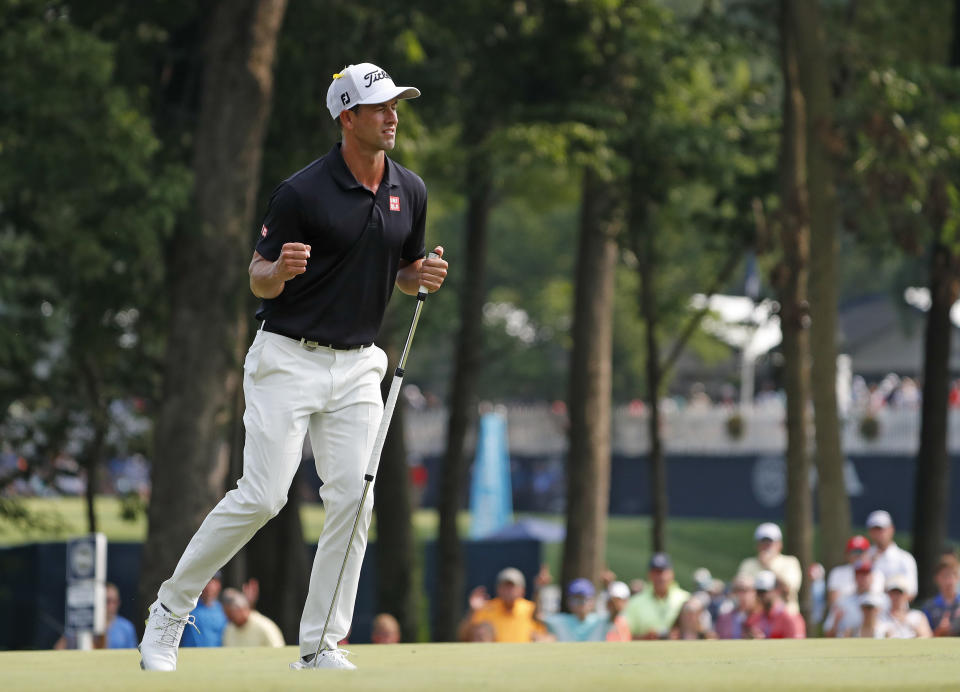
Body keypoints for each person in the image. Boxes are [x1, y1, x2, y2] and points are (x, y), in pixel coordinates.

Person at [137, 62, 448, 673]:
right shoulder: (301, 192)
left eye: (396, 106)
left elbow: (405, 271)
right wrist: (277, 272)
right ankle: (170, 610)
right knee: (264, 496)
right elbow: (257, 274)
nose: (392, 116)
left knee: (354, 500)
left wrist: (423, 277)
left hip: (359, 366)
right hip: (287, 358)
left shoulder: (409, 190)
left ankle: (320, 644)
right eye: (380, 106)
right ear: (346, 116)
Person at [459, 567, 548, 643]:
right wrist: (472, 611)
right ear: (498, 589)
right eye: (505, 586)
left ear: (522, 590)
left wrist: (539, 589)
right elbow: (464, 635)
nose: (508, 591)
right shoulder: (487, 608)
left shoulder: (530, 609)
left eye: (512, 587)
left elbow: (543, 636)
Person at [736, 522, 802, 613]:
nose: (766, 546)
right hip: (755, 618)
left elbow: (788, 589)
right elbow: (740, 591)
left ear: (779, 544)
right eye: (763, 542)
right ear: (757, 545)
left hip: (785, 617)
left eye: (770, 543)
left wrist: (768, 565)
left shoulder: (790, 562)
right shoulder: (748, 564)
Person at [623, 553, 690, 640]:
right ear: (649, 574)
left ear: (671, 574)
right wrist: (645, 638)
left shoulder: (686, 599)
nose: (660, 577)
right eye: (655, 572)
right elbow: (624, 636)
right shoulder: (634, 602)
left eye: (662, 571)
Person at [543, 579, 623, 642]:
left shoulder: (600, 620)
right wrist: (539, 587)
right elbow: (538, 616)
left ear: (593, 601)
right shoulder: (559, 620)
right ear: (569, 602)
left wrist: (609, 587)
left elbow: (616, 611)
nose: (581, 603)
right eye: (576, 599)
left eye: (584, 599)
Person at [824, 558, 886, 638]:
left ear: (872, 576)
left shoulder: (884, 601)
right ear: (854, 577)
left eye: (866, 574)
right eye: (859, 574)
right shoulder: (842, 602)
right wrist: (836, 623)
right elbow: (828, 633)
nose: (863, 578)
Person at [866, 510, 917, 597]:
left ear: (891, 529)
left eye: (882, 529)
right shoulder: (864, 556)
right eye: (875, 530)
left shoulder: (905, 558)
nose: (879, 533)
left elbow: (911, 592)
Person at [826, 535, 882, 610]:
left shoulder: (876, 574)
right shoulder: (837, 573)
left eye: (861, 551)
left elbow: (875, 600)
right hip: (844, 615)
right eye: (854, 552)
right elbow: (834, 603)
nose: (858, 555)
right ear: (847, 554)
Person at [744, 570, 805, 639]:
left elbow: (795, 645)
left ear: (776, 590)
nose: (760, 596)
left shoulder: (790, 617)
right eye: (758, 592)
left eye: (764, 591)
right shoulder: (755, 617)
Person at [179, 573, 227, 648]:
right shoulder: (187, 607)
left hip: (217, 657)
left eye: (213, 582)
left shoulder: (225, 610)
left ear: (218, 585)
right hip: (190, 657)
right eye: (207, 582)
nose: (209, 587)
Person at [921, 554, 960, 637]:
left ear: (958, 577)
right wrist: (941, 630)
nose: (949, 581)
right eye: (945, 576)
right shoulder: (929, 607)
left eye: (953, 575)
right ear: (937, 578)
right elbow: (926, 638)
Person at [715, 574, 759, 640]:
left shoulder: (766, 616)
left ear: (755, 591)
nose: (742, 594)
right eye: (738, 590)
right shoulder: (724, 619)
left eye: (747, 589)